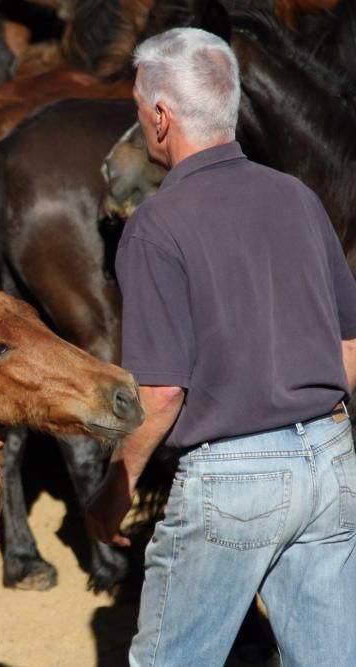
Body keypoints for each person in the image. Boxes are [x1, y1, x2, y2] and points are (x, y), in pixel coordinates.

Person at [86, 28, 356, 665]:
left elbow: (160, 392)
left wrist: (116, 488)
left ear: (160, 116)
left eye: (136, 107)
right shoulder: (297, 197)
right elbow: (349, 347)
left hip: (234, 478)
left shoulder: (156, 224)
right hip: (330, 455)